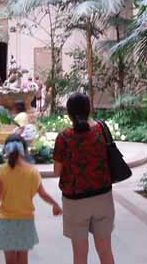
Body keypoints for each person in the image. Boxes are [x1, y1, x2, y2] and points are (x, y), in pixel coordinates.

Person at [53, 93, 116, 264]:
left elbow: (57, 171)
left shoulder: (64, 137)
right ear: (89, 110)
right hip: (103, 196)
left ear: (69, 113)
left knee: (80, 256)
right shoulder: (101, 130)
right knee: (105, 252)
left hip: (75, 202)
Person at [0, 135, 62, 264]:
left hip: (6, 221)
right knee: (22, 260)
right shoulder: (33, 171)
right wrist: (55, 204)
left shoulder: (0, 171)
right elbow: (43, 194)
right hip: (26, 221)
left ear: (6, 150)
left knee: (10, 261)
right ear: (25, 151)